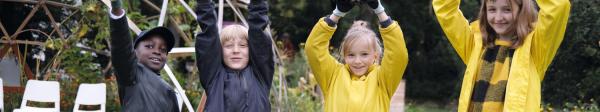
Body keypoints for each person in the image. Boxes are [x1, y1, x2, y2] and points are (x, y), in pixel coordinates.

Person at [432, 0, 570, 111]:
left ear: (522, 10)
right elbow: (445, 10)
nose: (498, 17)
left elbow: (558, 7)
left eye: (507, 9)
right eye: (492, 9)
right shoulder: (475, 44)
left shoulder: (535, 48)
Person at [304, 0, 409, 111]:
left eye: (364, 54)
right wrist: (337, 13)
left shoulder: (383, 79)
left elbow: (398, 54)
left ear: (375, 55)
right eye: (351, 55)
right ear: (344, 55)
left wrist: (379, 10)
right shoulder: (332, 75)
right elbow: (313, 48)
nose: (357, 61)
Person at [194, 0, 274, 111]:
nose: (236, 50)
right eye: (228, 46)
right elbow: (209, 34)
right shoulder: (213, 77)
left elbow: (258, 32)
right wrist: (204, 4)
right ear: (219, 51)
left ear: (251, 50)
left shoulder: (260, 76)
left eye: (242, 45)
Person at [108, 0, 179, 111]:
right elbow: (122, 44)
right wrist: (116, 7)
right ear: (134, 52)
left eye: (163, 49)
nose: (157, 51)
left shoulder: (169, 91)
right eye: (149, 46)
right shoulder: (132, 74)